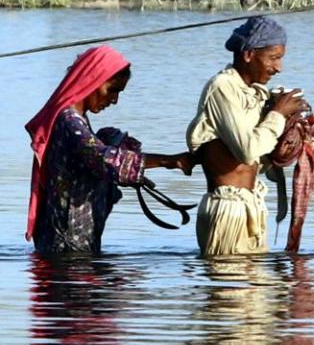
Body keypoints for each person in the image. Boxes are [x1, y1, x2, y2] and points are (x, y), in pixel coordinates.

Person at [26, 45, 195, 254]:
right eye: (112, 90)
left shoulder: (77, 120)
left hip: (74, 243)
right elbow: (101, 158)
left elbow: (94, 157)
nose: (114, 100)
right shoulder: (68, 120)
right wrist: (168, 161)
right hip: (66, 246)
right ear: (92, 81)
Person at [185, 16, 307, 257]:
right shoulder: (222, 88)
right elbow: (247, 150)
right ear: (249, 54)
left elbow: (255, 161)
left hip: (252, 206)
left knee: (255, 293)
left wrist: (293, 134)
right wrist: (278, 114)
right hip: (227, 209)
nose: (278, 68)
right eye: (273, 58)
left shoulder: (255, 93)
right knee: (230, 291)